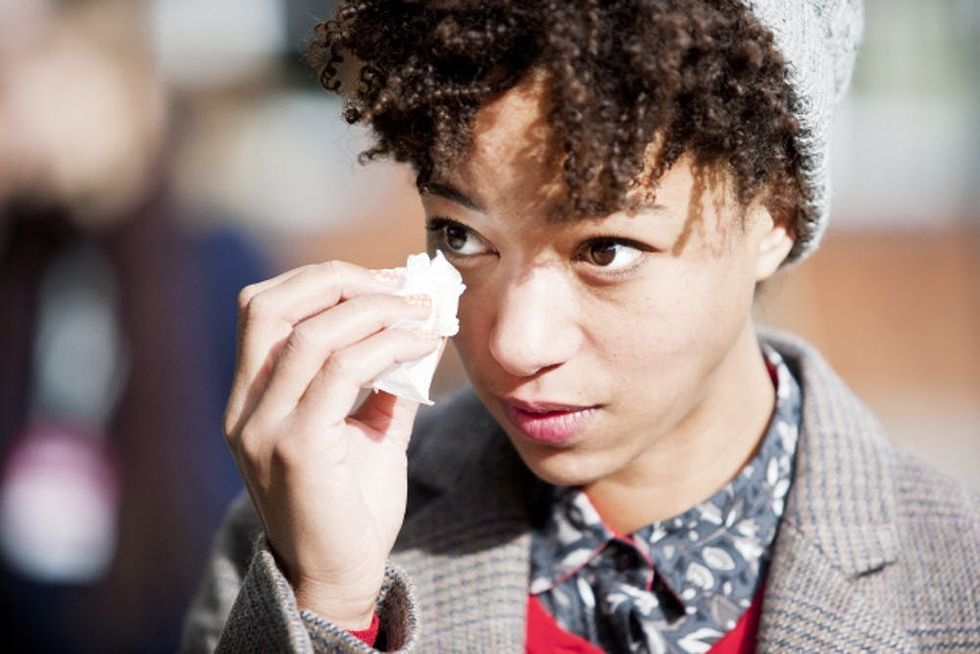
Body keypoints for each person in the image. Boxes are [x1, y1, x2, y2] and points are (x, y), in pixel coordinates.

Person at [182, 1, 980, 652]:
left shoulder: (958, 584)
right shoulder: (310, 528)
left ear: (776, 216)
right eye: (462, 236)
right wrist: (332, 606)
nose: (514, 343)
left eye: (606, 249)